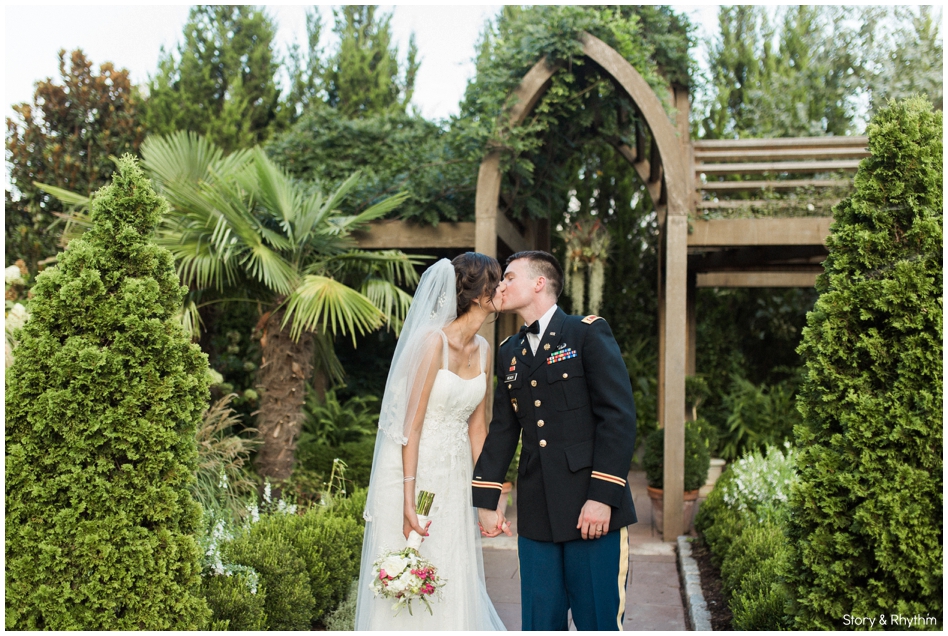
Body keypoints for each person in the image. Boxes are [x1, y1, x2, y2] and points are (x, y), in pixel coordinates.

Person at [473, 250, 637, 631]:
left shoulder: (587, 332)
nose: (501, 285)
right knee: (539, 622)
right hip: (537, 511)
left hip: (591, 510)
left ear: (539, 283)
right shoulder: (508, 352)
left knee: (597, 620)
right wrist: (486, 497)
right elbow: (503, 429)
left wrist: (602, 497)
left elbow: (619, 417)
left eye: (509, 277)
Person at [355, 254, 509, 631]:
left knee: (450, 566)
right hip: (413, 468)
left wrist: (490, 493)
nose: (504, 288)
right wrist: (408, 497)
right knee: (408, 564)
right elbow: (412, 425)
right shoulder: (431, 343)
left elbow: (478, 430)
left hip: (454, 475)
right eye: (499, 282)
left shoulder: (485, 350)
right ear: (479, 295)